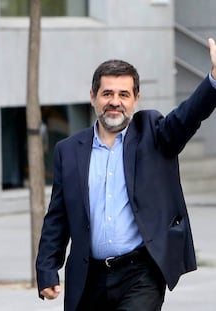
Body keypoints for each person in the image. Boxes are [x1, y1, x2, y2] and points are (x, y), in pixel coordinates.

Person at [36, 38, 216, 311]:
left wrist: (213, 80)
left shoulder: (154, 134)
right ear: (93, 96)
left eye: (124, 95)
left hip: (140, 274)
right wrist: (47, 268)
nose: (115, 102)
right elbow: (57, 217)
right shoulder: (69, 151)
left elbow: (187, 117)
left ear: (136, 99)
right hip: (88, 277)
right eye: (107, 94)